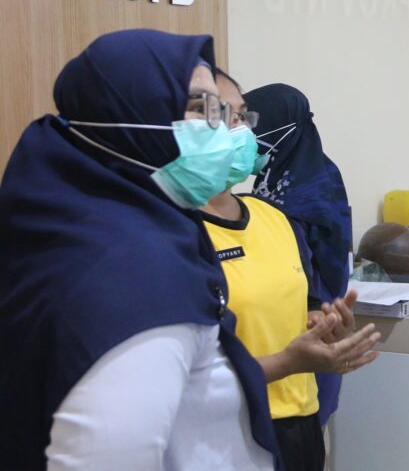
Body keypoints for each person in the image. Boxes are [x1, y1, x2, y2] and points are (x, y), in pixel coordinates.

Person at [0, 29, 279, 470]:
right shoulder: (131, 272)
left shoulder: (99, 230)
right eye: (201, 107)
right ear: (131, 116)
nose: (224, 131)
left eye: (222, 111)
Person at [201, 70, 380, 471]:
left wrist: (326, 324)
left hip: (299, 419)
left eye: (242, 117)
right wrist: (285, 362)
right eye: (222, 116)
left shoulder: (274, 216)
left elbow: (307, 300)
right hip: (226, 428)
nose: (242, 132)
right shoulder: (170, 231)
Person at [243, 83, 355, 431]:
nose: (244, 134)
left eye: (250, 123)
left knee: (302, 428)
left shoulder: (311, 188)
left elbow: (313, 266)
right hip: (275, 337)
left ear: (280, 127)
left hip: (308, 323)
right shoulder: (275, 177)